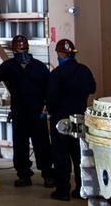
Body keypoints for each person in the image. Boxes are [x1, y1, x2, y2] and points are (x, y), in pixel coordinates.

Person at [0, 34, 54, 187]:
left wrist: (47, 106)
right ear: (14, 52)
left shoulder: (39, 67)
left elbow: (49, 88)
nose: (21, 54)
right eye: (19, 51)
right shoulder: (9, 66)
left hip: (37, 113)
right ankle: (24, 175)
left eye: (23, 50)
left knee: (42, 144)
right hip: (19, 113)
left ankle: (47, 174)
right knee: (20, 145)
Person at [45, 38, 96, 202]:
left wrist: (51, 111)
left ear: (60, 54)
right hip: (80, 119)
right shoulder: (84, 70)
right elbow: (92, 88)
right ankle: (82, 189)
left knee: (61, 156)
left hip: (61, 121)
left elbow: (51, 99)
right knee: (79, 155)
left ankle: (62, 191)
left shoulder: (57, 74)